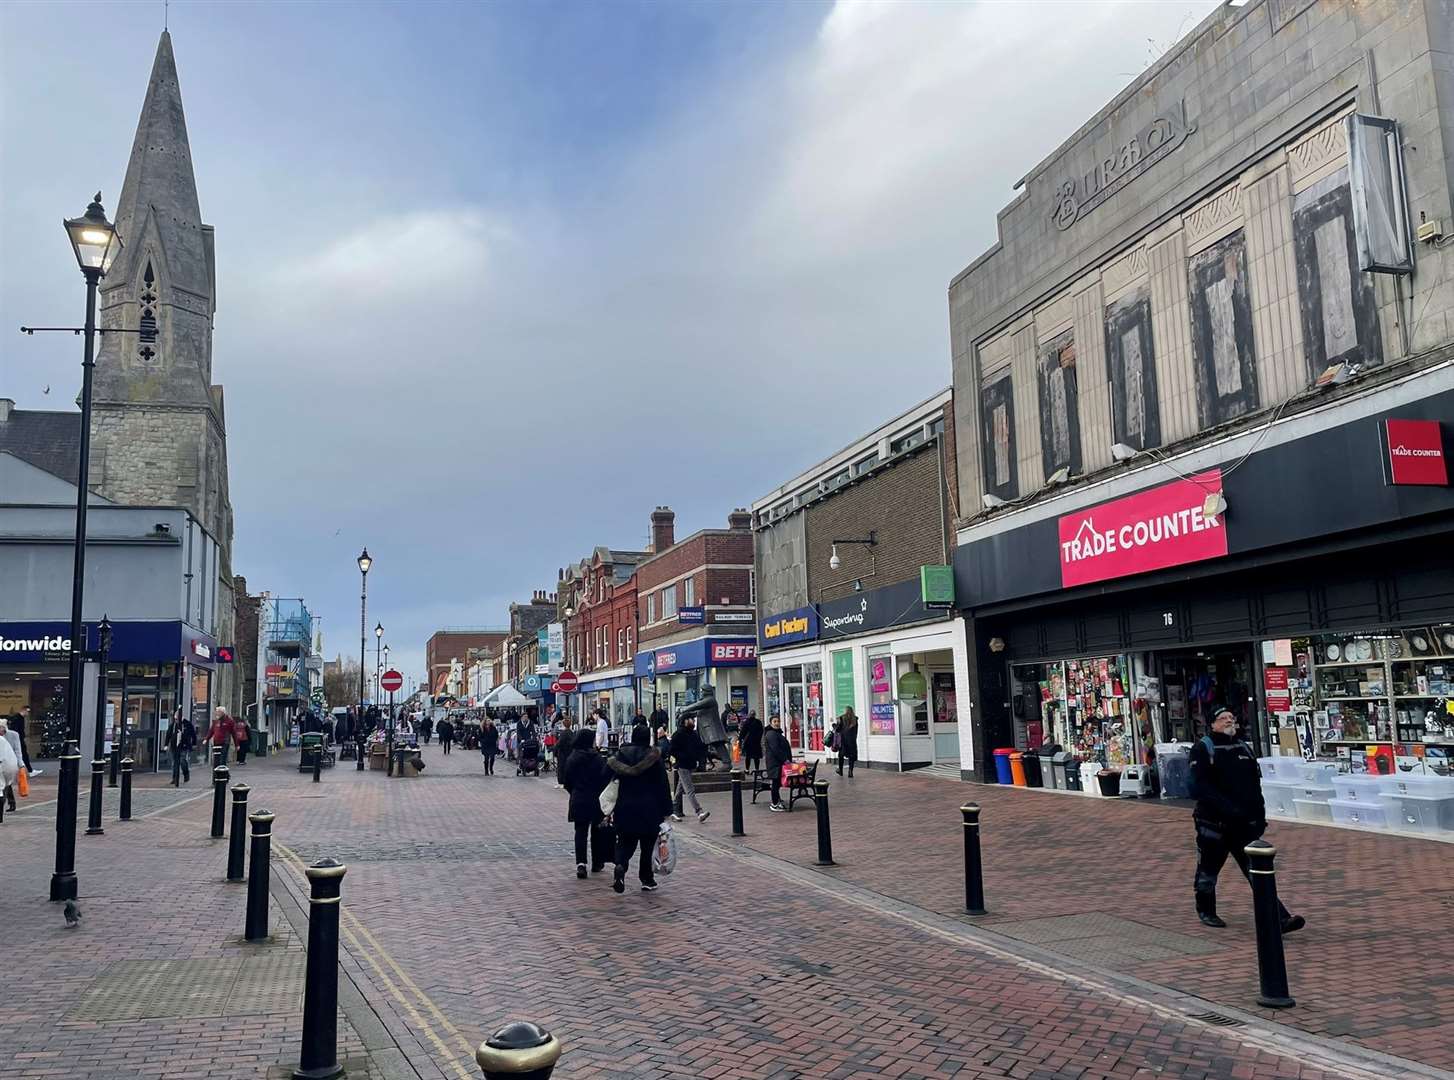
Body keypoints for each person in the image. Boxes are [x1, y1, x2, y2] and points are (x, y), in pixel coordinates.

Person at [1189, 706, 1304, 933]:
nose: (1229, 721)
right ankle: (1206, 910)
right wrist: (1226, 809)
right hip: (1214, 824)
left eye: (1231, 718)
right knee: (1208, 871)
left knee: (1257, 872)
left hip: (1243, 825)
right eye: (1222, 719)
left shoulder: (1244, 748)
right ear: (1212, 724)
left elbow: (1254, 786)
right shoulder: (1204, 748)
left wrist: (1259, 816)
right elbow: (1198, 787)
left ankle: (1279, 918)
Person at [607, 724, 672, 893]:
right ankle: (647, 879)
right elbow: (662, 785)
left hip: (625, 807)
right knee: (647, 845)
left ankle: (620, 866)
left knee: (624, 842)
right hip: (649, 808)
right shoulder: (654, 757)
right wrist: (667, 810)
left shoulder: (620, 756)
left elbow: (608, 777)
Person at [563, 730, 613, 878]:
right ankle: (597, 862)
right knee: (596, 832)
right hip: (595, 799)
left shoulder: (572, 758)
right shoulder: (597, 758)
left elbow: (567, 781)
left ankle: (581, 863)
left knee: (580, 832)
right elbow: (604, 779)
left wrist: (574, 791)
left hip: (578, 798)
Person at [668, 716, 711, 823]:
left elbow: (700, 748)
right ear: (685, 721)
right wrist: (682, 757)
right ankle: (699, 812)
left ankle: (672, 811)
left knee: (679, 789)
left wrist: (699, 759)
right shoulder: (678, 734)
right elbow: (672, 750)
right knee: (689, 789)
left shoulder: (694, 734)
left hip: (691, 764)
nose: (692, 721)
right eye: (690, 719)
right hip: (682, 765)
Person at [763, 713, 792, 813]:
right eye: (774, 722)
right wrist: (785, 759)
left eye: (778, 721)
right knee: (775, 783)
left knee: (777, 783)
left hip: (778, 763)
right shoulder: (771, 734)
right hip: (775, 764)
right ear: (770, 723)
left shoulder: (777, 733)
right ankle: (774, 804)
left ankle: (777, 800)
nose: (777, 723)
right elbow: (776, 749)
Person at [167, 708, 195, 785]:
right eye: (175, 719)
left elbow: (193, 734)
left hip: (184, 746)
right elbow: (168, 735)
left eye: (177, 719)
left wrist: (193, 744)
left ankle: (186, 774)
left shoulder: (187, 724)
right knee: (175, 763)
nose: (176, 720)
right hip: (174, 746)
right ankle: (175, 778)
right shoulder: (172, 725)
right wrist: (166, 744)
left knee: (182, 761)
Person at [0, 718, 21, 813]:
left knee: (6, 786)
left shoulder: (13, 735)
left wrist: (20, 763)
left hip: (9, 763)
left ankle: (10, 803)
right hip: (2, 763)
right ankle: (8, 803)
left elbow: (18, 750)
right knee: (4, 786)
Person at [11, 707, 38, 777]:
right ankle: (29, 771)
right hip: (18, 740)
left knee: (23, 755)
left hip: (19, 740)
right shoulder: (17, 718)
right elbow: (15, 730)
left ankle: (30, 770)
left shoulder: (21, 718)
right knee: (23, 755)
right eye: (27, 711)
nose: (28, 713)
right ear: (23, 710)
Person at [834, 707, 859, 778]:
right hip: (852, 741)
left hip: (843, 740)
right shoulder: (855, 719)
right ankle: (850, 772)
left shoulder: (842, 718)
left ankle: (840, 770)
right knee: (851, 756)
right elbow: (856, 731)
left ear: (846, 711)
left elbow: (838, 729)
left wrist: (835, 726)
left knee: (841, 755)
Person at [554, 712, 577, 788]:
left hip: (562, 753)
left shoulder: (563, 733)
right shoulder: (572, 733)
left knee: (561, 767)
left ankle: (561, 782)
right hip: (569, 752)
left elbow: (559, 743)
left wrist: (554, 750)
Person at [739, 710, 763, 776]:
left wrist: (741, 740)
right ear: (755, 715)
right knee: (756, 757)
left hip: (748, 742)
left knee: (748, 757)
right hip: (756, 742)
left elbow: (742, 732)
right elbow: (761, 731)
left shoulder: (746, 722)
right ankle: (757, 770)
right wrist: (759, 738)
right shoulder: (758, 722)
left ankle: (747, 770)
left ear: (749, 715)